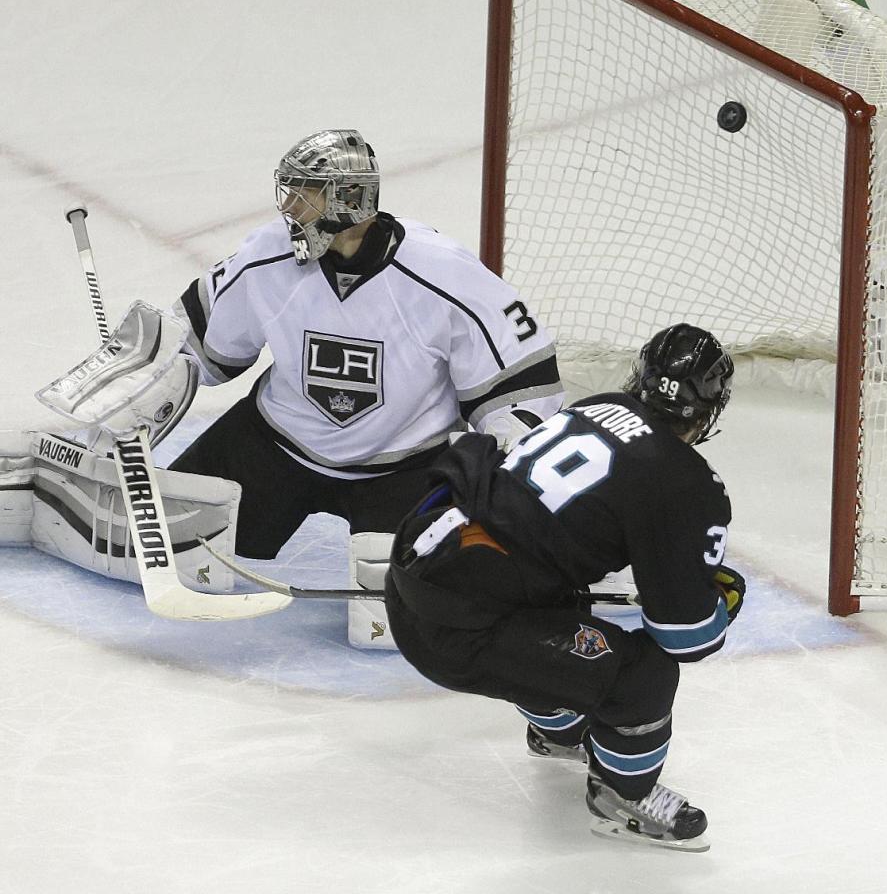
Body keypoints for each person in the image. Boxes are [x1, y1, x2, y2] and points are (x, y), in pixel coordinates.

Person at [167, 129, 564, 644]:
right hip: (274, 447)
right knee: (168, 538)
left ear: (348, 200)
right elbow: (198, 348)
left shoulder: (444, 273)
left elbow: (521, 390)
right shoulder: (267, 254)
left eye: (304, 192)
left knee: (411, 606)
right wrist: (152, 379)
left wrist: (498, 475)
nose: (289, 205)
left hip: (405, 468)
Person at [383, 323, 744, 850]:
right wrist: (716, 604)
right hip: (456, 631)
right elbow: (686, 638)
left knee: (560, 598)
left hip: (416, 570)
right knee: (642, 674)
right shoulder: (688, 483)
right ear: (710, 409)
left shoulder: (596, 406)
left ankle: (558, 732)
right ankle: (623, 797)